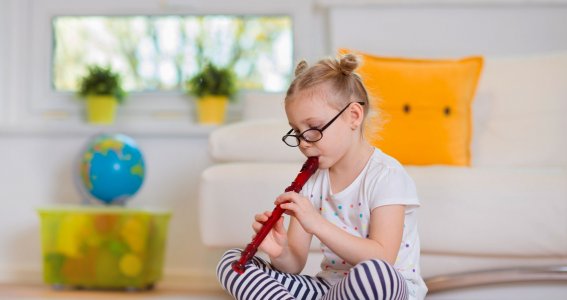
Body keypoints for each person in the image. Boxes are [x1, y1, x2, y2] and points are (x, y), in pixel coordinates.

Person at [217, 54, 427, 300]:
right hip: (329, 291)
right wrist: (280, 251)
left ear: (354, 116)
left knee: (376, 274)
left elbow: (382, 257)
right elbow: (293, 266)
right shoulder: (313, 182)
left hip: (386, 288)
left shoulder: (386, 176)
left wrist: (316, 222)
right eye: (297, 131)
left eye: (314, 128)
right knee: (232, 263)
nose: (304, 143)